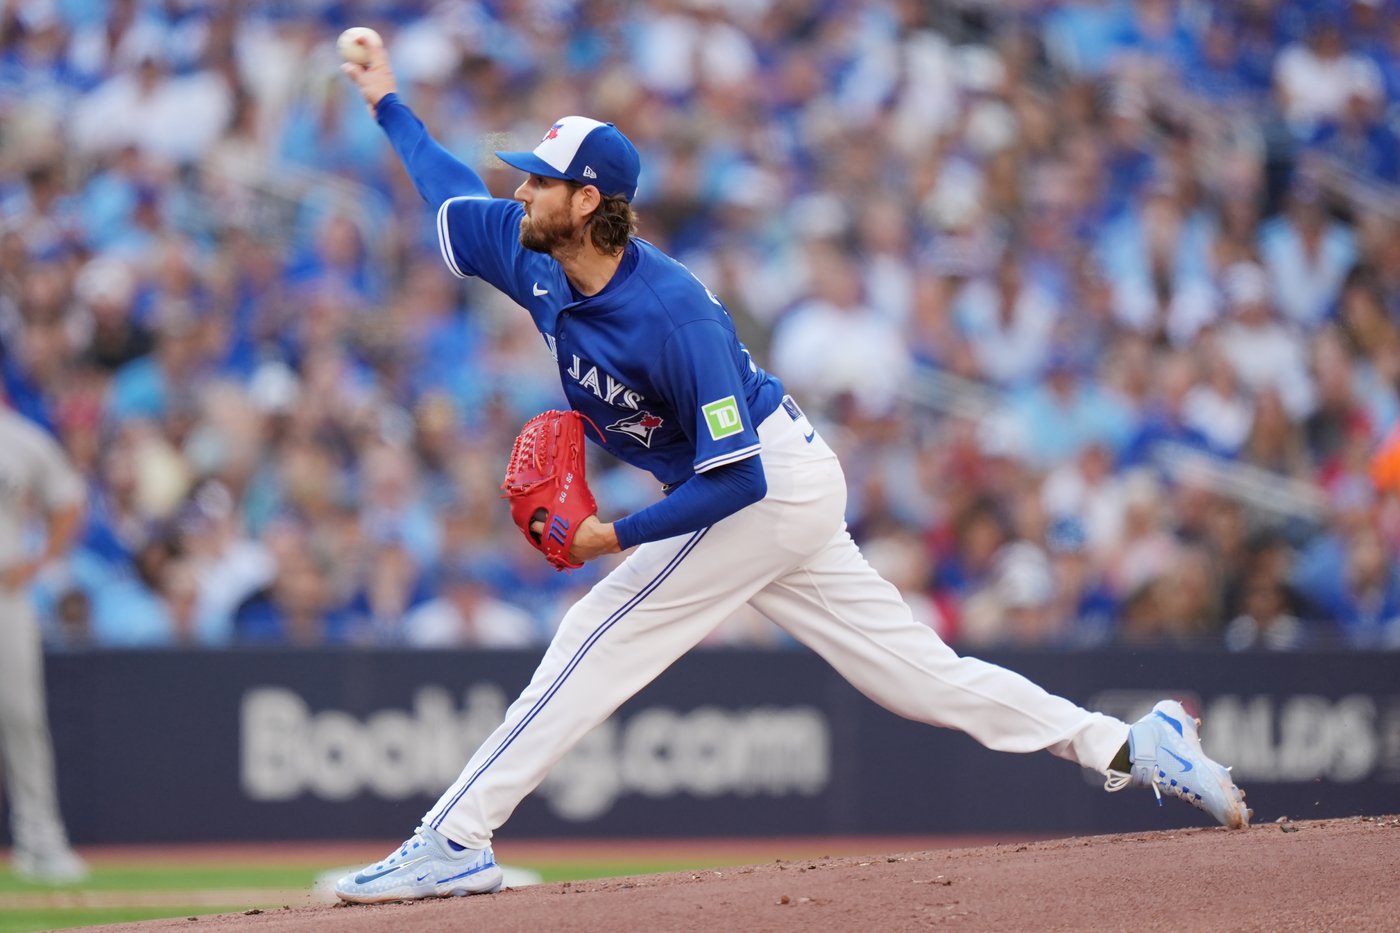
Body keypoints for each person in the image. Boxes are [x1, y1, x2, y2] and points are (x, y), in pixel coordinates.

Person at [333, 39, 1250, 904]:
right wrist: (385, 100)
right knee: (921, 680)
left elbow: (739, 482)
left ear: (585, 202)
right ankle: (1131, 743)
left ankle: (455, 840)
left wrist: (611, 534)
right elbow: (450, 193)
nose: (519, 189)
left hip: (763, 481)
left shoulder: (672, 314)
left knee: (595, 631)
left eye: (538, 179)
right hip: (773, 488)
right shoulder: (532, 255)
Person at [0, 404, 89, 883]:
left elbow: (68, 498)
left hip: (4, 593)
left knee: (21, 716)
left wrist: (39, 560)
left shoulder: (18, 437)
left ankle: (39, 838)